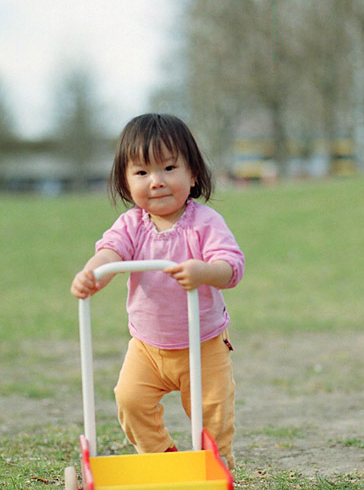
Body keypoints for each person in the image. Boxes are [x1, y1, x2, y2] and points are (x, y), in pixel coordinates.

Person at [71, 114, 244, 470]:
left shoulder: (205, 223)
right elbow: (110, 252)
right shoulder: (131, 225)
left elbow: (231, 267)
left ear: (193, 174)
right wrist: (93, 274)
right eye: (142, 172)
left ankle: (215, 468)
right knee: (130, 400)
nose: (157, 181)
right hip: (148, 347)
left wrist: (204, 271)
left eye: (168, 168)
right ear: (125, 181)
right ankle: (163, 459)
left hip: (203, 343)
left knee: (212, 411)